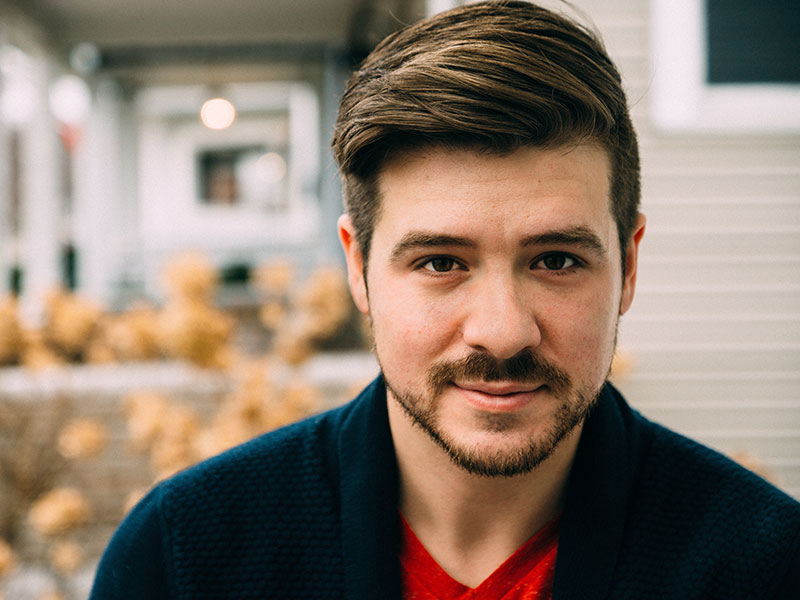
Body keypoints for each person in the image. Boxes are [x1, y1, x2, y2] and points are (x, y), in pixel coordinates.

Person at [91, 1, 800, 598]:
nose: (502, 332)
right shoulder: (184, 560)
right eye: (440, 262)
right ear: (360, 269)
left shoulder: (764, 567)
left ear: (630, 264)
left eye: (556, 260)